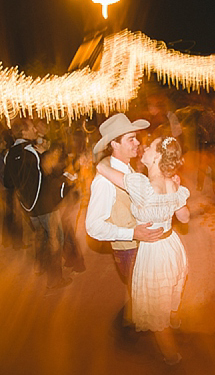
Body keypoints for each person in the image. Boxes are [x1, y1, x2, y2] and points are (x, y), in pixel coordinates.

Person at [96, 135, 190, 365]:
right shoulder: (173, 184)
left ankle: (172, 358)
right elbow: (185, 217)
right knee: (171, 287)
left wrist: (108, 146)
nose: (144, 147)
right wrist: (174, 189)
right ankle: (175, 320)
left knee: (155, 308)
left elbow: (100, 167)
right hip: (172, 245)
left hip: (154, 252)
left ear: (157, 156)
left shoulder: (141, 185)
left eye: (150, 146)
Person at [85, 114, 164, 332]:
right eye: (130, 138)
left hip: (137, 246)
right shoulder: (104, 181)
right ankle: (144, 340)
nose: (137, 143)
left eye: (136, 138)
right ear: (114, 144)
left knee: (141, 293)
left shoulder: (126, 169)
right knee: (144, 296)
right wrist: (132, 234)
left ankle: (134, 325)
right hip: (128, 250)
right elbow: (92, 227)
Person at [3, 118, 72, 289]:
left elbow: (7, 183)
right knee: (55, 239)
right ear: (24, 132)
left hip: (29, 208)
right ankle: (55, 279)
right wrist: (47, 154)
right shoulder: (33, 152)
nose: (35, 130)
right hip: (46, 205)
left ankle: (41, 266)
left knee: (40, 236)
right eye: (32, 128)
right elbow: (50, 174)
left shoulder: (9, 154)